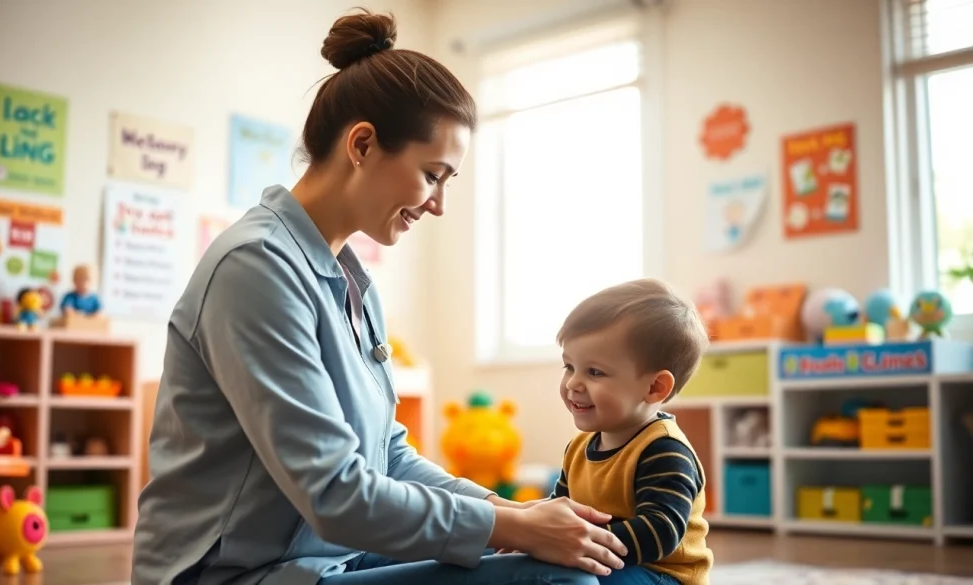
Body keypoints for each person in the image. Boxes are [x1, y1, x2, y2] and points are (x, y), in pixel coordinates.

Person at [132, 7, 628, 585]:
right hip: (238, 574)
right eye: (432, 174)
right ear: (362, 145)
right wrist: (513, 528)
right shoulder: (256, 268)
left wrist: (515, 512)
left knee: (540, 555)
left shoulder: (349, 280)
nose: (438, 204)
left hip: (322, 558)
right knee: (551, 578)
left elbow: (387, 455)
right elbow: (336, 494)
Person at [548, 279, 715, 585]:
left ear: (654, 387)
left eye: (594, 372)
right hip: (609, 561)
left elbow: (660, 531)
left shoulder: (663, 449)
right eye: (569, 367)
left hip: (663, 574)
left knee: (578, 580)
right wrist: (539, 532)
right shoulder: (579, 446)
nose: (573, 383)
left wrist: (579, 542)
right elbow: (562, 508)